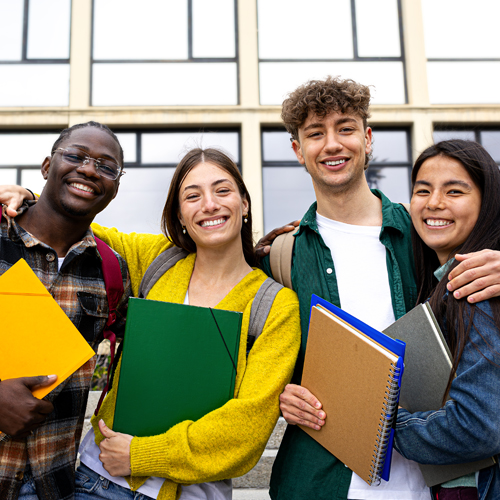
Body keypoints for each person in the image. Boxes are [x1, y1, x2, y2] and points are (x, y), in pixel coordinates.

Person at [255, 77, 500, 500]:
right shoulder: (280, 257)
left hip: (427, 483)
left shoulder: (427, 232)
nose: (332, 144)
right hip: (317, 482)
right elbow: (252, 363)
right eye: (315, 133)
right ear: (298, 150)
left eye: (346, 129)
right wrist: (280, 392)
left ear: (367, 139)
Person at [69, 148, 300, 500]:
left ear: (245, 203)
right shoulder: (159, 259)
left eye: (222, 190)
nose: (209, 204)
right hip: (99, 482)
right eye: (192, 196)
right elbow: (83, 228)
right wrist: (29, 199)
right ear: (179, 215)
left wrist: (141, 455)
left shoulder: (276, 306)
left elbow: (246, 428)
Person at [0, 122, 130, 500]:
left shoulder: (112, 270)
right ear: (46, 167)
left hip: (51, 486)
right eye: (76, 156)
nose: (89, 169)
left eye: (106, 166)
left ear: (115, 187)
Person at [393, 140, 500, 500]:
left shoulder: (478, 287)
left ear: (488, 203)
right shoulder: (441, 283)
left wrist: (384, 423)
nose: (434, 202)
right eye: (423, 190)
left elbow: (477, 428)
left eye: (455, 191)